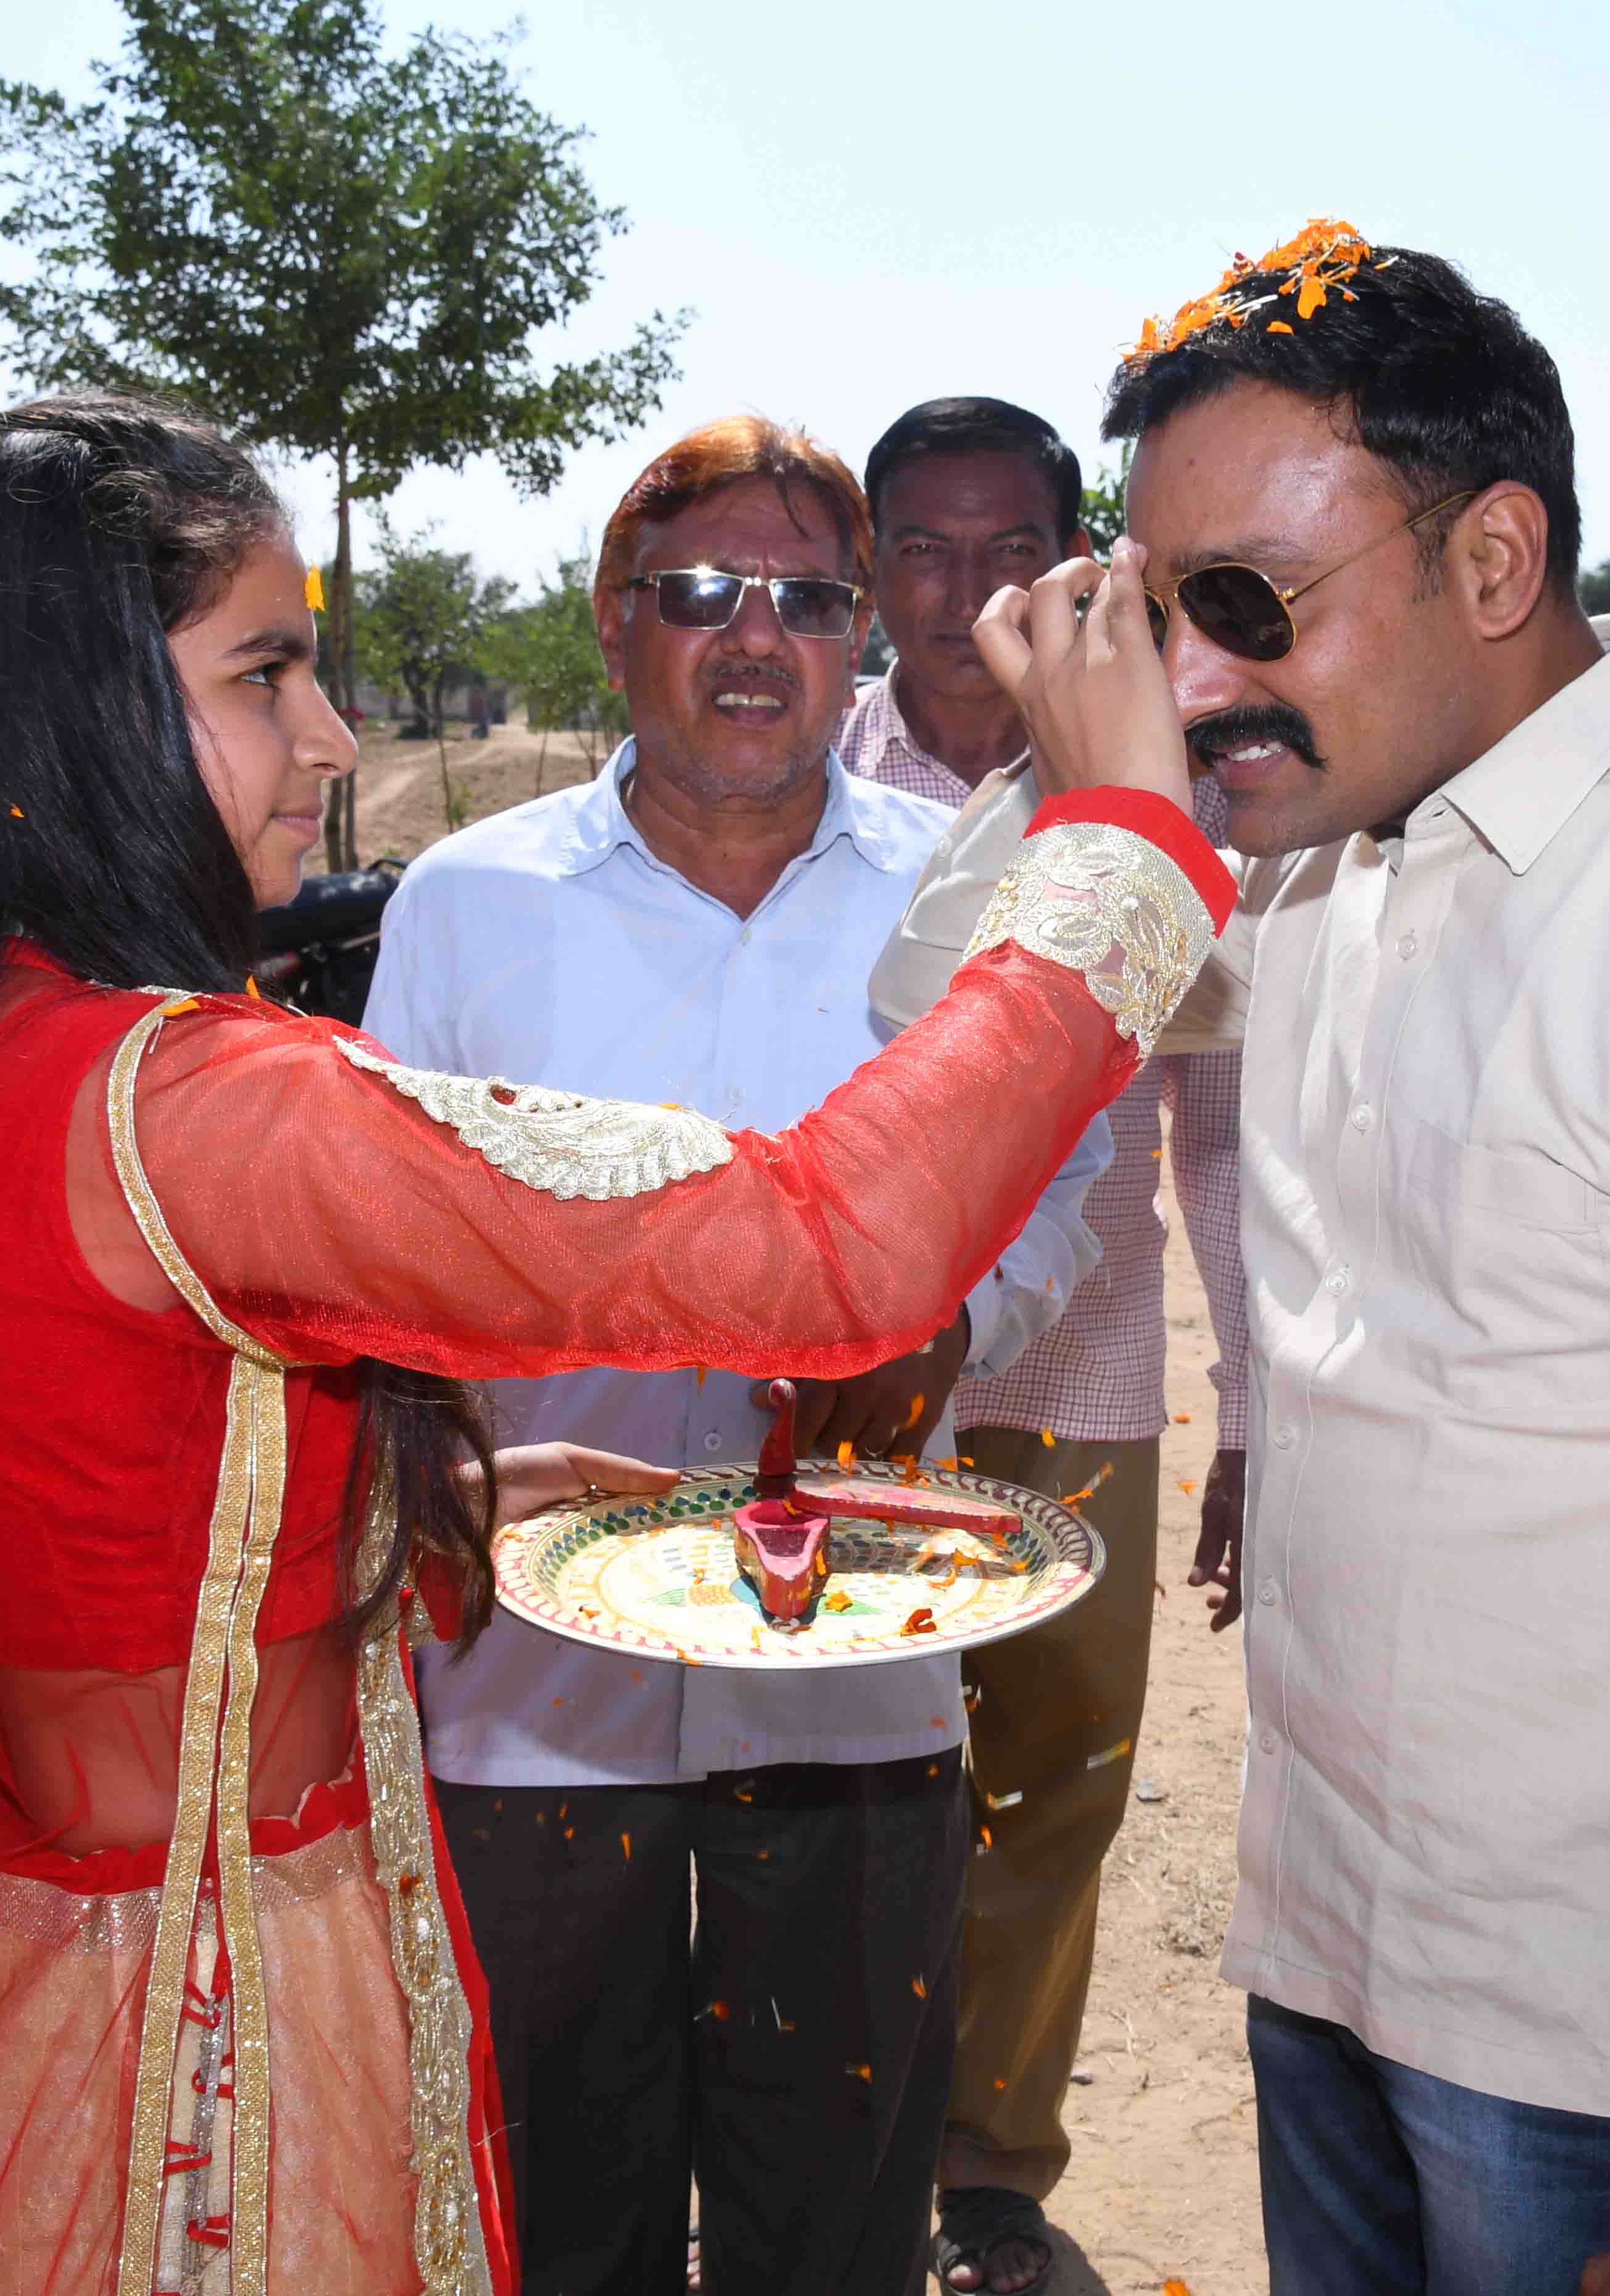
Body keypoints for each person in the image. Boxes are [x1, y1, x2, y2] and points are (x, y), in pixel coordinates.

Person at [0, 394, 1228, 2295]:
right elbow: (831, 1250)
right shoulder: (194, 1107)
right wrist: (1125, 839)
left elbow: (110, 1525)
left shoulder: (0, 1045)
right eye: (266, 674)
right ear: (74, 709)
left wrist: (408, 1509)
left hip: (77, 1962)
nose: (334, 739)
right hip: (209, 2027)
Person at [948, 225, 1610, 2296]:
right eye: (1158, 611)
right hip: (1322, 1956)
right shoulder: (1315, 857)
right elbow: (921, 1004)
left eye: (1244, 604)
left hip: (1597, 2067)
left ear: (1491, 560)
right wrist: (1084, 774)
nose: (1194, 677)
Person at [362, 414, 1107, 2296]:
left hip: (858, 1679)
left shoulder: (966, 901)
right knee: (552, 2201)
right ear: (616, 619)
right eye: (702, 591)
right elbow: (379, 1256)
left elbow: (1058, 1179)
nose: (757, 637)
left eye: (809, 599)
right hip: (534, 1690)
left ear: (862, 639)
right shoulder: (467, 903)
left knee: (835, 2212)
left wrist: (951, 1320)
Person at [834, 395, 1253, 2295]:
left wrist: (1252, 1405)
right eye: (923, 549)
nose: (967, 593)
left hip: (1078, 1370)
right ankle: (823, 2148)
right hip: (852, 1383)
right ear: (871, 570)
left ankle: (991, 2169)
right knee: (832, 1784)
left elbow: (1218, 1132)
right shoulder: (802, 787)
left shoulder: (1178, 792)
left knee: (1055, 1783)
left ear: (1088, 563)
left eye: (1015, 548)